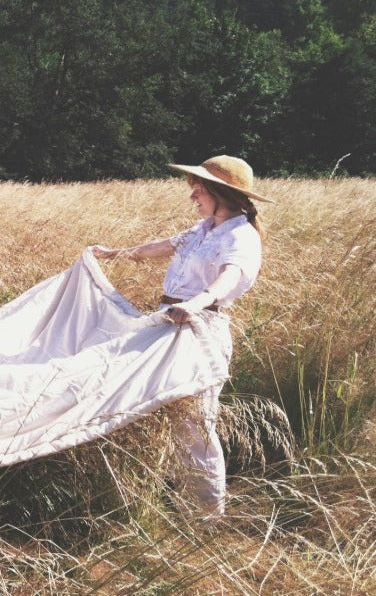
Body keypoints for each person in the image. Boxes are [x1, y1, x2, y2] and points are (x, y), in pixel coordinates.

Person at [93, 155, 272, 519]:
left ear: (222, 193)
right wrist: (112, 253)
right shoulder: (203, 229)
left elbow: (231, 275)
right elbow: (161, 246)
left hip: (200, 330)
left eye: (199, 189)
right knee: (139, 407)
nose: (193, 196)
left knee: (195, 426)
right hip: (168, 322)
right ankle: (146, 494)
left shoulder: (241, 235)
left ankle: (207, 517)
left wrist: (198, 301)